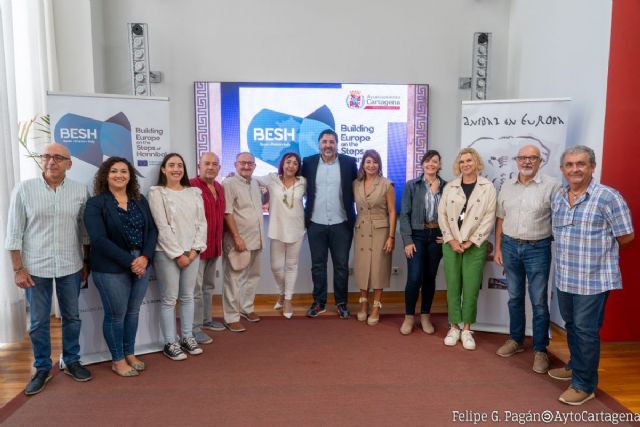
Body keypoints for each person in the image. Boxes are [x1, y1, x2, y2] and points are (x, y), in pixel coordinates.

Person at [548, 145, 633, 406]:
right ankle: (575, 366)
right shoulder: (559, 196)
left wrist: (600, 257)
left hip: (593, 280)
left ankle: (585, 385)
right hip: (565, 277)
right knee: (572, 326)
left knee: (586, 331)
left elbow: (626, 236)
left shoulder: (608, 197)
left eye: (581, 164)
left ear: (592, 167)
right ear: (563, 169)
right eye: (570, 165)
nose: (575, 169)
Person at [5, 143, 92, 395]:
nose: (51, 161)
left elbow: (84, 231)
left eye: (58, 157)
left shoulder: (79, 191)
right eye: (46, 156)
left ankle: (71, 360)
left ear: (69, 163)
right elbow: (13, 233)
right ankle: (42, 367)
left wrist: (86, 262)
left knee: (72, 317)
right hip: (35, 267)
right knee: (39, 322)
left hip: (71, 264)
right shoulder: (24, 189)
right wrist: (17, 269)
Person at [84, 157, 158, 376]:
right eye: (114, 171)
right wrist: (130, 261)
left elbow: (152, 231)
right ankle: (117, 359)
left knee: (133, 312)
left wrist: (144, 257)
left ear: (130, 176)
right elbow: (98, 239)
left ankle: (130, 353)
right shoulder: (96, 203)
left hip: (141, 263)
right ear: (106, 176)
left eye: (124, 171)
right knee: (116, 315)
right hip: (110, 266)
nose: (119, 175)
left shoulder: (140, 200)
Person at [493, 145, 559, 374]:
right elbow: (501, 218)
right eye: (523, 157)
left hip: (537, 248)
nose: (527, 161)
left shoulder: (552, 186)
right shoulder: (507, 186)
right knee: (514, 297)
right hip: (510, 246)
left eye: (532, 158)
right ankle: (516, 340)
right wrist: (498, 247)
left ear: (540, 161)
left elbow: (559, 219)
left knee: (539, 301)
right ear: (516, 160)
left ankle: (540, 349)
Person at [148, 153, 207, 361]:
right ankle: (170, 342)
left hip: (192, 253)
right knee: (169, 299)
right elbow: (161, 226)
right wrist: (177, 254)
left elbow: (202, 223)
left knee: (188, 297)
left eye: (180, 165)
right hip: (166, 253)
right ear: (163, 169)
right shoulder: (157, 192)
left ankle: (187, 337)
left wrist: (194, 251)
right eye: (171, 165)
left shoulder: (194, 192)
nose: (176, 169)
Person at [438, 147, 496, 350]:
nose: (465, 164)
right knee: (453, 285)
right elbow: (442, 215)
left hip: (475, 245)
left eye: (469, 160)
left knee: (471, 288)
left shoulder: (487, 187)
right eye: (462, 161)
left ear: (476, 162)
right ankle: (454, 327)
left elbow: (489, 217)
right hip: (452, 243)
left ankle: (467, 329)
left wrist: (471, 241)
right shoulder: (451, 187)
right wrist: (452, 240)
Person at [301, 129, 358, 318]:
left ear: (337, 144)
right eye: (324, 142)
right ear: (319, 144)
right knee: (318, 265)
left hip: (341, 222)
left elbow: (358, 187)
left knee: (341, 265)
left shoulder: (349, 163)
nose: (328, 145)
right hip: (315, 222)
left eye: (331, 142)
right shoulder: (308, 163)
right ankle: (319, 302)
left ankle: (341, 303)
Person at [399, 150, 447, 335]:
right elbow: (404, 215)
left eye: (435, 161)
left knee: (429, 277)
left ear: (439, 165)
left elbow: (458, 213)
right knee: (414, 277)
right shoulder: (412, 186)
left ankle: (425, 315)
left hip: (437, 237)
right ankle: (409, 317)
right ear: (422, 164)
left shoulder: (447, 187)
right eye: (427, 161)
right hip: (417, 236)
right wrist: (407, 240)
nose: (431, 164)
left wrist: (449, 235)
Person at [253, 152, 306, 319]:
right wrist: (235, 175)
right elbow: (252, 179)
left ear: (298, 167)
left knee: (291, 266)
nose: (291, 166)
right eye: (288, 162)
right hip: (277, 229)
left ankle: (288, 299)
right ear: (283, 163)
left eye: (295, 163)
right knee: (276, 267)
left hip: (296, 229)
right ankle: (282, 293)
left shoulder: (303, 182)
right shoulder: (272, 179)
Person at [221, 152, 265, 332]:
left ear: (254, 166)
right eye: (242, 163)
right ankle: (231, 317)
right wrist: (237, 237)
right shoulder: (229, 183)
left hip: (256, 238)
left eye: (250, 163)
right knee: (233, 279)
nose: (246, 166)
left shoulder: (255, 183)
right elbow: (227, 212)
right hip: (238, 239)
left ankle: (247, 308)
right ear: (235, 164)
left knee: (253, 276)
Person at [353, 150, 396, 326]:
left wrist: (391, 236)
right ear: (363, 164)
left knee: (379, 267)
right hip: (361, 228)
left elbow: (392, 211)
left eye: (375, 162)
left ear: (379, 165)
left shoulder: (387, 184)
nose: (371, 165)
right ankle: (363, 303)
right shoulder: (356, 183)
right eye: (368, 162)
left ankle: (376, 306)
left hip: (380, 230)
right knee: (363, 267)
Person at [190, 152, 226, 344]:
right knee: (195, 290)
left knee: (209, 286)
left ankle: (206, 320)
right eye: (207, 164)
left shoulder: (220, 188)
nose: (211, 167)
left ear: (219, 168)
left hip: (215, 246)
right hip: (197, 248)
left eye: (214, 164)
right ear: (199, 166)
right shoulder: (190, 186)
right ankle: (194, 329)